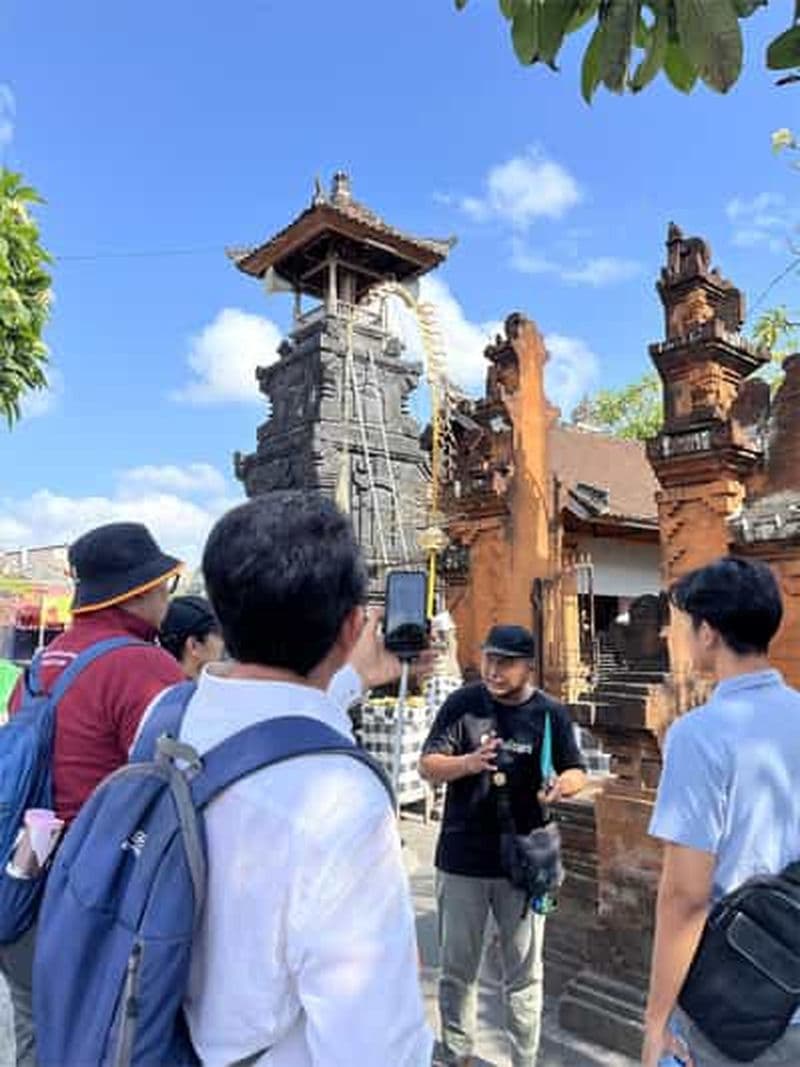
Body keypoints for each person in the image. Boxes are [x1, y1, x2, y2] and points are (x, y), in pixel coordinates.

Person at [175, 491, 432, 1066]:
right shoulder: (341, 801)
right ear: (353, 624)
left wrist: (352, 678)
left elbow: (269, 715)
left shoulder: (168, 719)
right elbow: (374, 1048)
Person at [643, 557, 800, 1067]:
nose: (676, 633)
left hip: (733, 994)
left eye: (682, 623)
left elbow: (686, 897)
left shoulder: (701, 735)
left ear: (707, 632)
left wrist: (656, 1019)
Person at [420, 624, 587, 1067]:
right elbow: (428, 765)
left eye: (505, 662)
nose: (493, 670)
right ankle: (458, 1055)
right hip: (462, 860)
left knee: (525, 977)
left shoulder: (550, 713)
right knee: (457, 971)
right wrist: (469, 762)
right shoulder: (463, 705)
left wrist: (560, 786)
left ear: (528, 666)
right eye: (489, 659)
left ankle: (524, 1059)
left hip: (525, 861)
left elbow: (577, 770)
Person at [159, 595, 225, 678]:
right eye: (220, 634)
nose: (224, 642)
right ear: (194, 645)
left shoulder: (159, 684)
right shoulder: (203, 689)